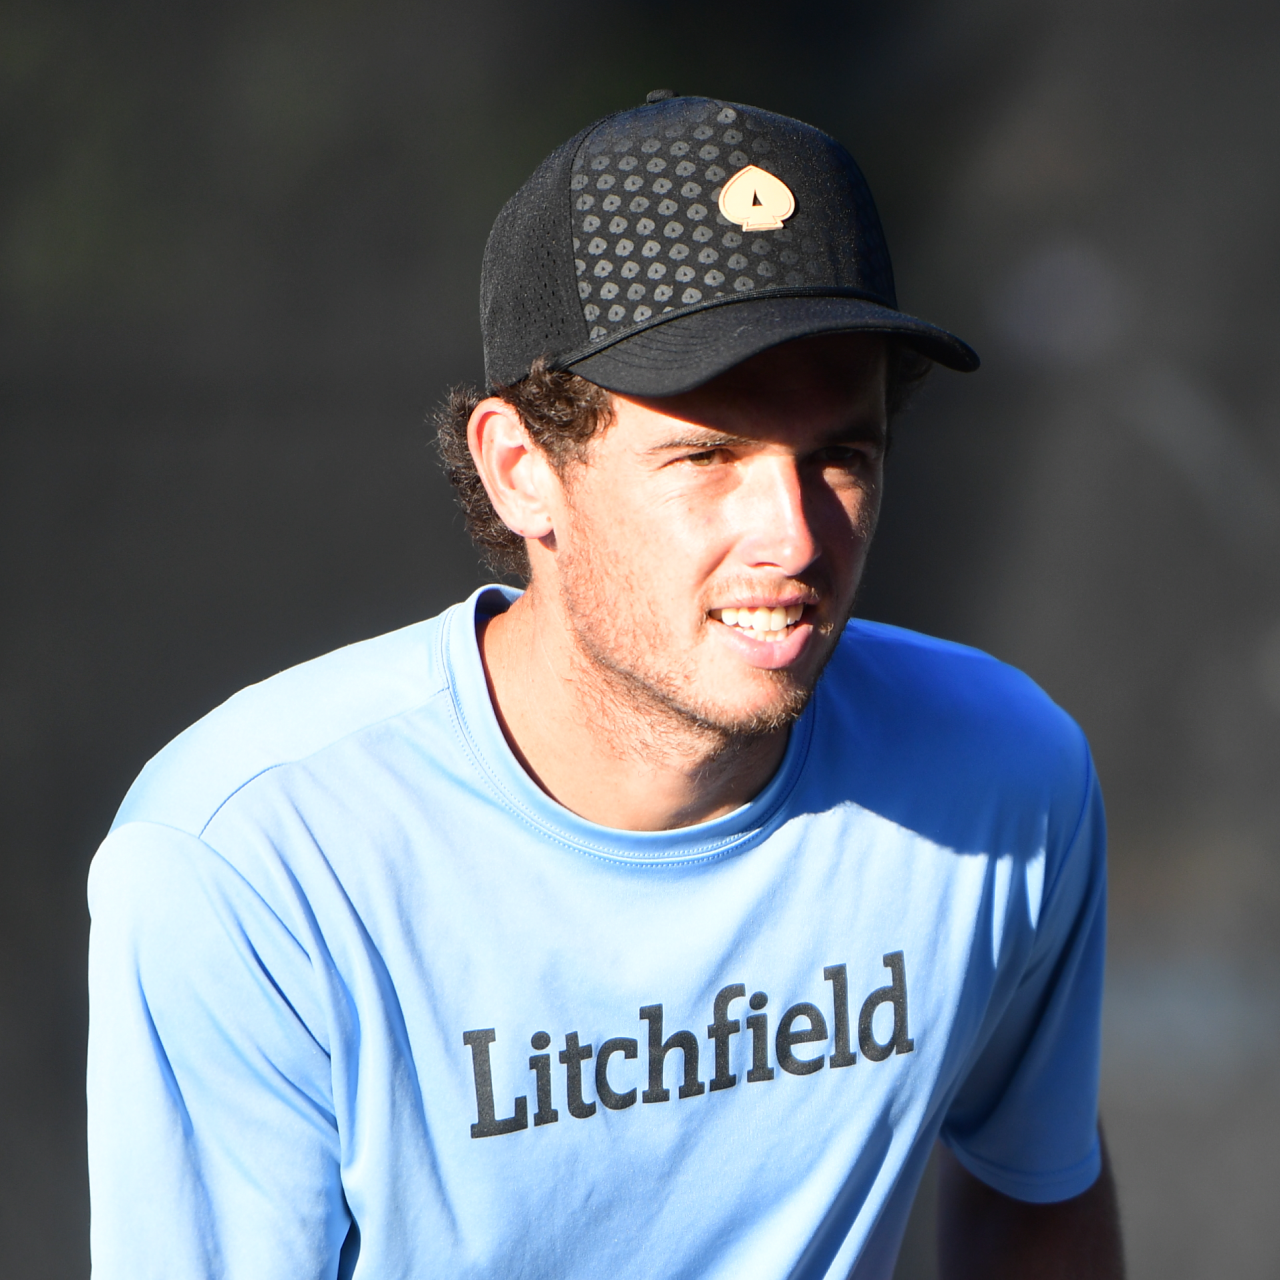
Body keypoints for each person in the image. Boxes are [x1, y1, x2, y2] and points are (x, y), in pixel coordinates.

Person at [87, 92, 1123, 1279]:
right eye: (706, 455)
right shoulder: (251, 859)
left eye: (839, 454)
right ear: (521, 469)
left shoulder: (1000, 777)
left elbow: (1036, 1195)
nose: (791, 534)